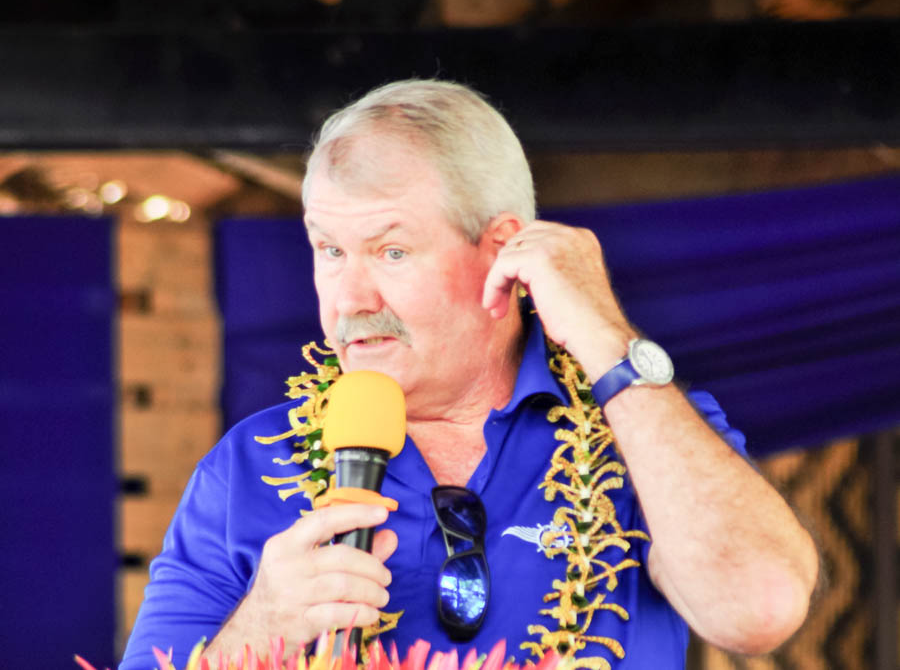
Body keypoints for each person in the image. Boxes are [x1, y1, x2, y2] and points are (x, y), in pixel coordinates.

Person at [120, 79, 818, 669]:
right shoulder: (246, 466)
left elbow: (759, 605)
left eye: (391, 251)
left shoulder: (640, 429)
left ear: (501, 252)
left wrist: (607, 338)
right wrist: (260, 623)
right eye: (329, 248)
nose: (350, 299)